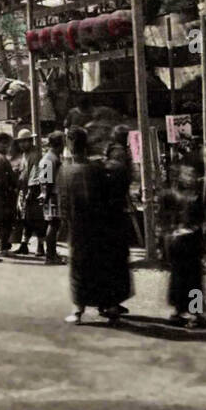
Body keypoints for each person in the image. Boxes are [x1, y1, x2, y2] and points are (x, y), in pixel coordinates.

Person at [58, 126, 133, 323]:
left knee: (79, 269)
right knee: (102, 267)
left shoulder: (65, 171)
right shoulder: (99, 169)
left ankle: (78, 310)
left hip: (78, 229)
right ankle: (108, 305)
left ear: (70, 143)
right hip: (101, 227)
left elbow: (63, 204)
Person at [159, 163, 206, 329]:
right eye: (187, 175)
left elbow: (201, 220)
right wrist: (171, 233)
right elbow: (165, 220)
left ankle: (195, 313)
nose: (190, 179)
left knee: (193, 279)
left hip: (191, 242)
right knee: (178, 278)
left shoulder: (197, 197)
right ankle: (179, 310)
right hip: (178, 243)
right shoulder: (172, 196)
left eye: (192, 176)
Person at [32, 131, 66, 265]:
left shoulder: (53, 157)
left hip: (52, 193)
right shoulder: (50, 158)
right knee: (53, 223)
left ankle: (52, 253)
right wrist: (46, 195)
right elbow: (46, 180)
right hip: (52, 195)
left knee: (54, 224)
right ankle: (50, 255)